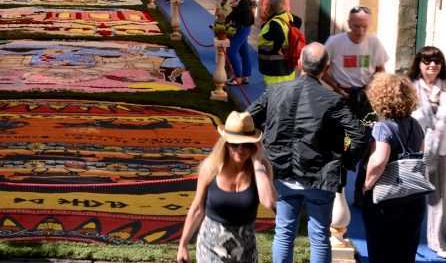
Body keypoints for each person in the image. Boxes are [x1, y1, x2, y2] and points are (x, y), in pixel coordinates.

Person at [248, 42, 366, 263]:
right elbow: (358, 134)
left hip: (282, 172)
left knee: (284, 233)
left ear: (300, 63)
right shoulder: (333, 100)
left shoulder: (276, 91)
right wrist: (346, 162)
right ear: (326, 68)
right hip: (318, 177)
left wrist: (258, 148)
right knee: (319, 236)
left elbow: (247, 119)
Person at [177, 111, 276, 263]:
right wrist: (183, 244)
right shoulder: (210, 168)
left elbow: (269, 202)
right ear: (225, 143)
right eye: (235, 144)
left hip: (246, 250)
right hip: (210, 248)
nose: (240, 149)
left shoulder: (261, 169)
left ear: (254, 145)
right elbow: (197, 208)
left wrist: (257, 163)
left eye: (247, 144)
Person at [361, 73, 426, 263]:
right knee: (406, 252)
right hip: (413, 197)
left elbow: (380, 160)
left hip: (387, 199)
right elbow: (420, 156)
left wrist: (367, 184)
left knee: (381, 251)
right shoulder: (416, 125)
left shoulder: (383, 127)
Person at [409, 46, 446, 256]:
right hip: (417, 149)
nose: (433, 65)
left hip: (442, 149)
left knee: (440, 197)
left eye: (437, 61)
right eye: (427, 61)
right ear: (419, 64)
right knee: (411, 195)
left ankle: (437, 241)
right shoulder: (411, 87)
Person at [323, 6, 388, 121]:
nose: (360, 31)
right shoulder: (334, 42)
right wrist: (336, 87)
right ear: (349, 24)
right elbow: (321, 70)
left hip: (366, 95)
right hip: (342, 93)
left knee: (367, 131)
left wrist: (370, 88)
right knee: (341, 134)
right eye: (356, 26)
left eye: (365, 27)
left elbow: (380, 70)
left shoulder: (374, 42)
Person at [225, 0, 258, 86]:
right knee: (244, 51)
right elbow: (233, 4)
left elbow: (251, 16)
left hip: (243, 27)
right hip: (237, 25)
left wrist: (238, 8)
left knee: (231, 51)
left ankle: (237, 76)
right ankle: (246, 75)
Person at [257, 0, 297, 86]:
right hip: (287, 68)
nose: (265, 8)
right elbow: (299, 21)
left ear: (271, 8)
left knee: (274, 97)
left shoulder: (274, 22)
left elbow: (280, 37)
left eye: (267, 6)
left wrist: (276, 49)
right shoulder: (287, 17)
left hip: (275, 70)